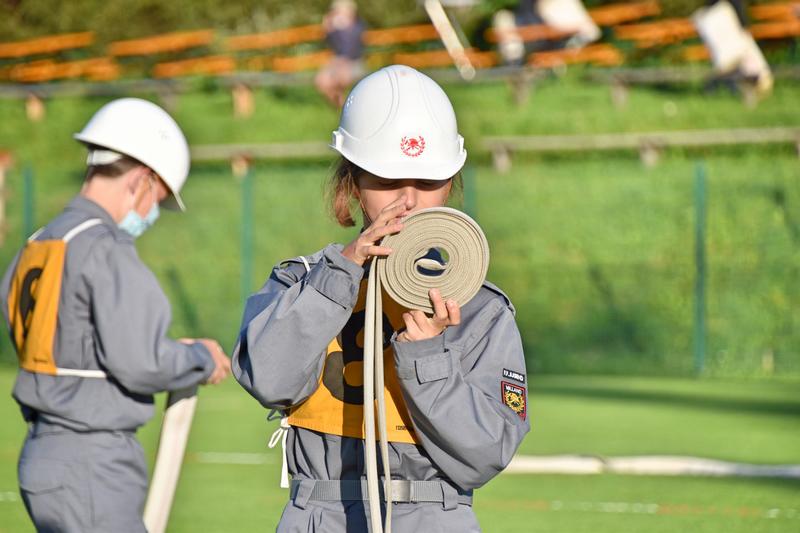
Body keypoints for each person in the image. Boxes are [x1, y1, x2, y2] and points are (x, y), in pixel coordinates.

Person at [233, 65, 529, 532]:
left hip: (436, 515)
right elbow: (268, 380)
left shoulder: (482, 309)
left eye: (429, 181)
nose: (408, 201)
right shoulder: (300, 282)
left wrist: (427, 356)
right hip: (321, 511)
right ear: (352, 183)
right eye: (388, 181)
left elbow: (486, 455)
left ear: (452, 182)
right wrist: (339, 278)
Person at [1, 97, 231, 533]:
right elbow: (141, 364)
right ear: (144, 179)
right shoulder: (104, 247)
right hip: (91, 463)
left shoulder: (42, 240)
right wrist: (198, 357)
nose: (152, 212)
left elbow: (68, 337)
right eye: (159, 198)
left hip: (45, 455)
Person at [314, 0, 366, 108]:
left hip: (353, 62)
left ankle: (348, 107)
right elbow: (331, 45)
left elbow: (352, 49)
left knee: (341, 78)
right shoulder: (336, 28)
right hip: (337, 62)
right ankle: (342, 107)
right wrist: (330, 31)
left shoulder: (357, 27)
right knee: (321, 81)